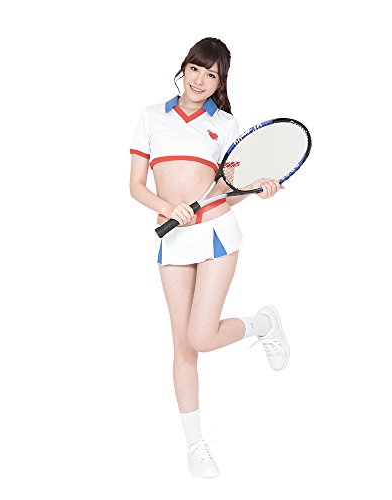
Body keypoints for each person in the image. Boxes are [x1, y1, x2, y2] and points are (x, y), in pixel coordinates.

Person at [129, 37, 289, 478]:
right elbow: (136, 186)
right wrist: (167, 207)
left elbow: (228, 193)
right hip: (173, 242)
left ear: (221, 82)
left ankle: (262, 325)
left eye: (211, 74)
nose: (200, 80)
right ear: (184, 68)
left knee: (201, 336)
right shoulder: (151, 117)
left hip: (216, 233)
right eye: (195, 69)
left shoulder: (226, 124)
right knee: (183, 346)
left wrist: (257, 189)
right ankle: (195, 445)